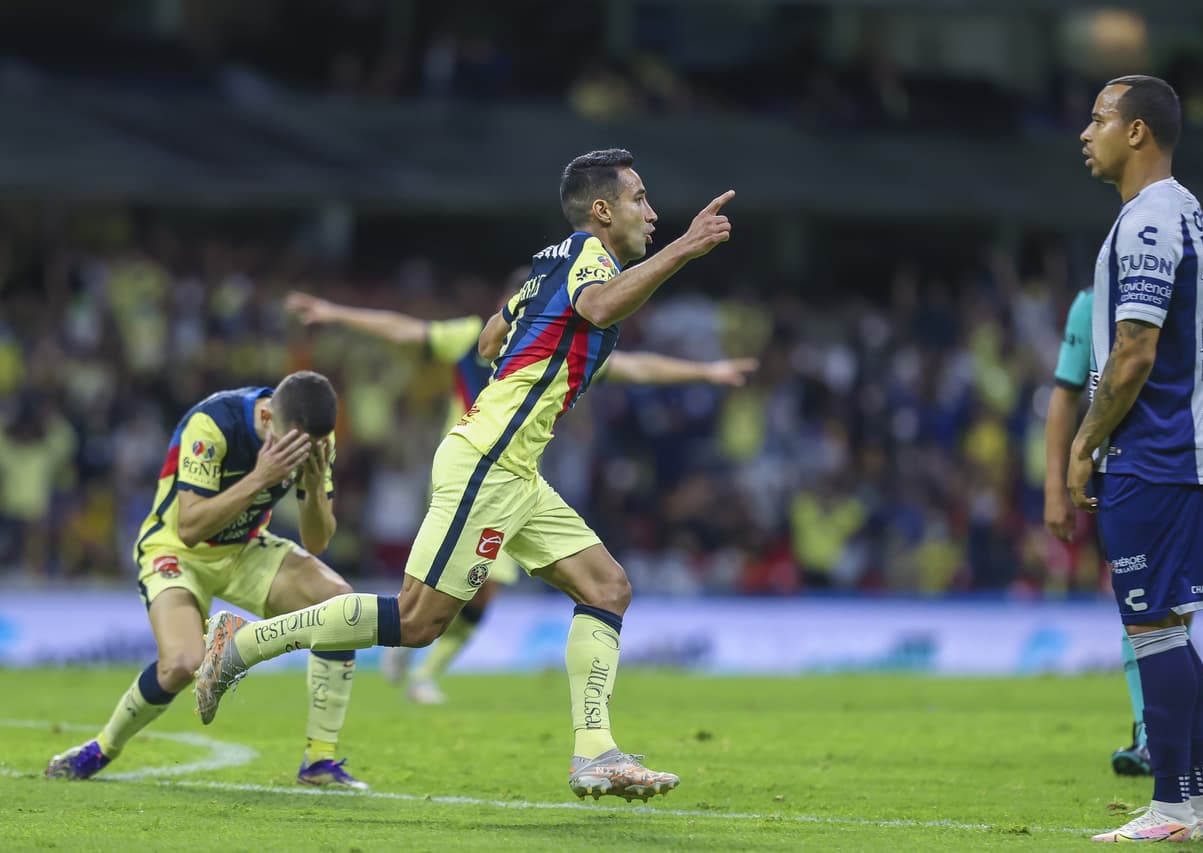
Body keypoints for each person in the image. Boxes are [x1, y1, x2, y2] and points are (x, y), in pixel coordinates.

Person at [195, 148, 734, 802]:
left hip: (515, 468)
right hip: (489, 460)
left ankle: (596, 752)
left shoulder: (544, 266)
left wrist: (526, 338)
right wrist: (682, 248)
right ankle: (241, 643)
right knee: (419, 621)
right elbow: (596, 310)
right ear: (602, 210)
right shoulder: (591, 259)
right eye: (639, 198)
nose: (651, 212)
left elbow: (486, 338)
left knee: (606, 586)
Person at [284, 290, 757, 704]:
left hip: (514, 477)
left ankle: (418, 670)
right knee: (435, 609)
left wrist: (707, 372)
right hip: (476, 468)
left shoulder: (570, 345)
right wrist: (335, 312)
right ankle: (403, 665)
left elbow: (637, 368)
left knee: (478, 597)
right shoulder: (472, 336)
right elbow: (407, 332)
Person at [45, 372, 369, 790]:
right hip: (176, 553)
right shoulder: (213, 424)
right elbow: (190, 528)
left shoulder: (314, 439)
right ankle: (103, 748)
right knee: (180, 664)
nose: (296, 452)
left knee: (340, 607)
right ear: (267, 415)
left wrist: (310, 481)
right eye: (290, 444)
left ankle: (320, 761)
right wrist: (260, 476)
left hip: (244, 548)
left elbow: (317, 539)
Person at [1068, 75, 1203, 842]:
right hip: (1183, 451)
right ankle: (1202, 805)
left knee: (1153, 632)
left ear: (1137, 132)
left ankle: (1169, 808)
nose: (1085, 132)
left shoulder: (1149, 219)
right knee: (1169, 628)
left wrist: (1084, 440)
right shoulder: (1186, 209)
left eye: (1098, 119)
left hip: (1152, 450)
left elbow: (1133, 352)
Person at [1044, 281, 1203, 774]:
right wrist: (1055, 487)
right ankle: (1154, 734)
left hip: (1195, 478)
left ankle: (1166, 739)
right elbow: (1063, 395)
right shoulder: (1090, 302)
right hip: (1119, 474)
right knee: (1141, 605)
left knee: (1175, 609)